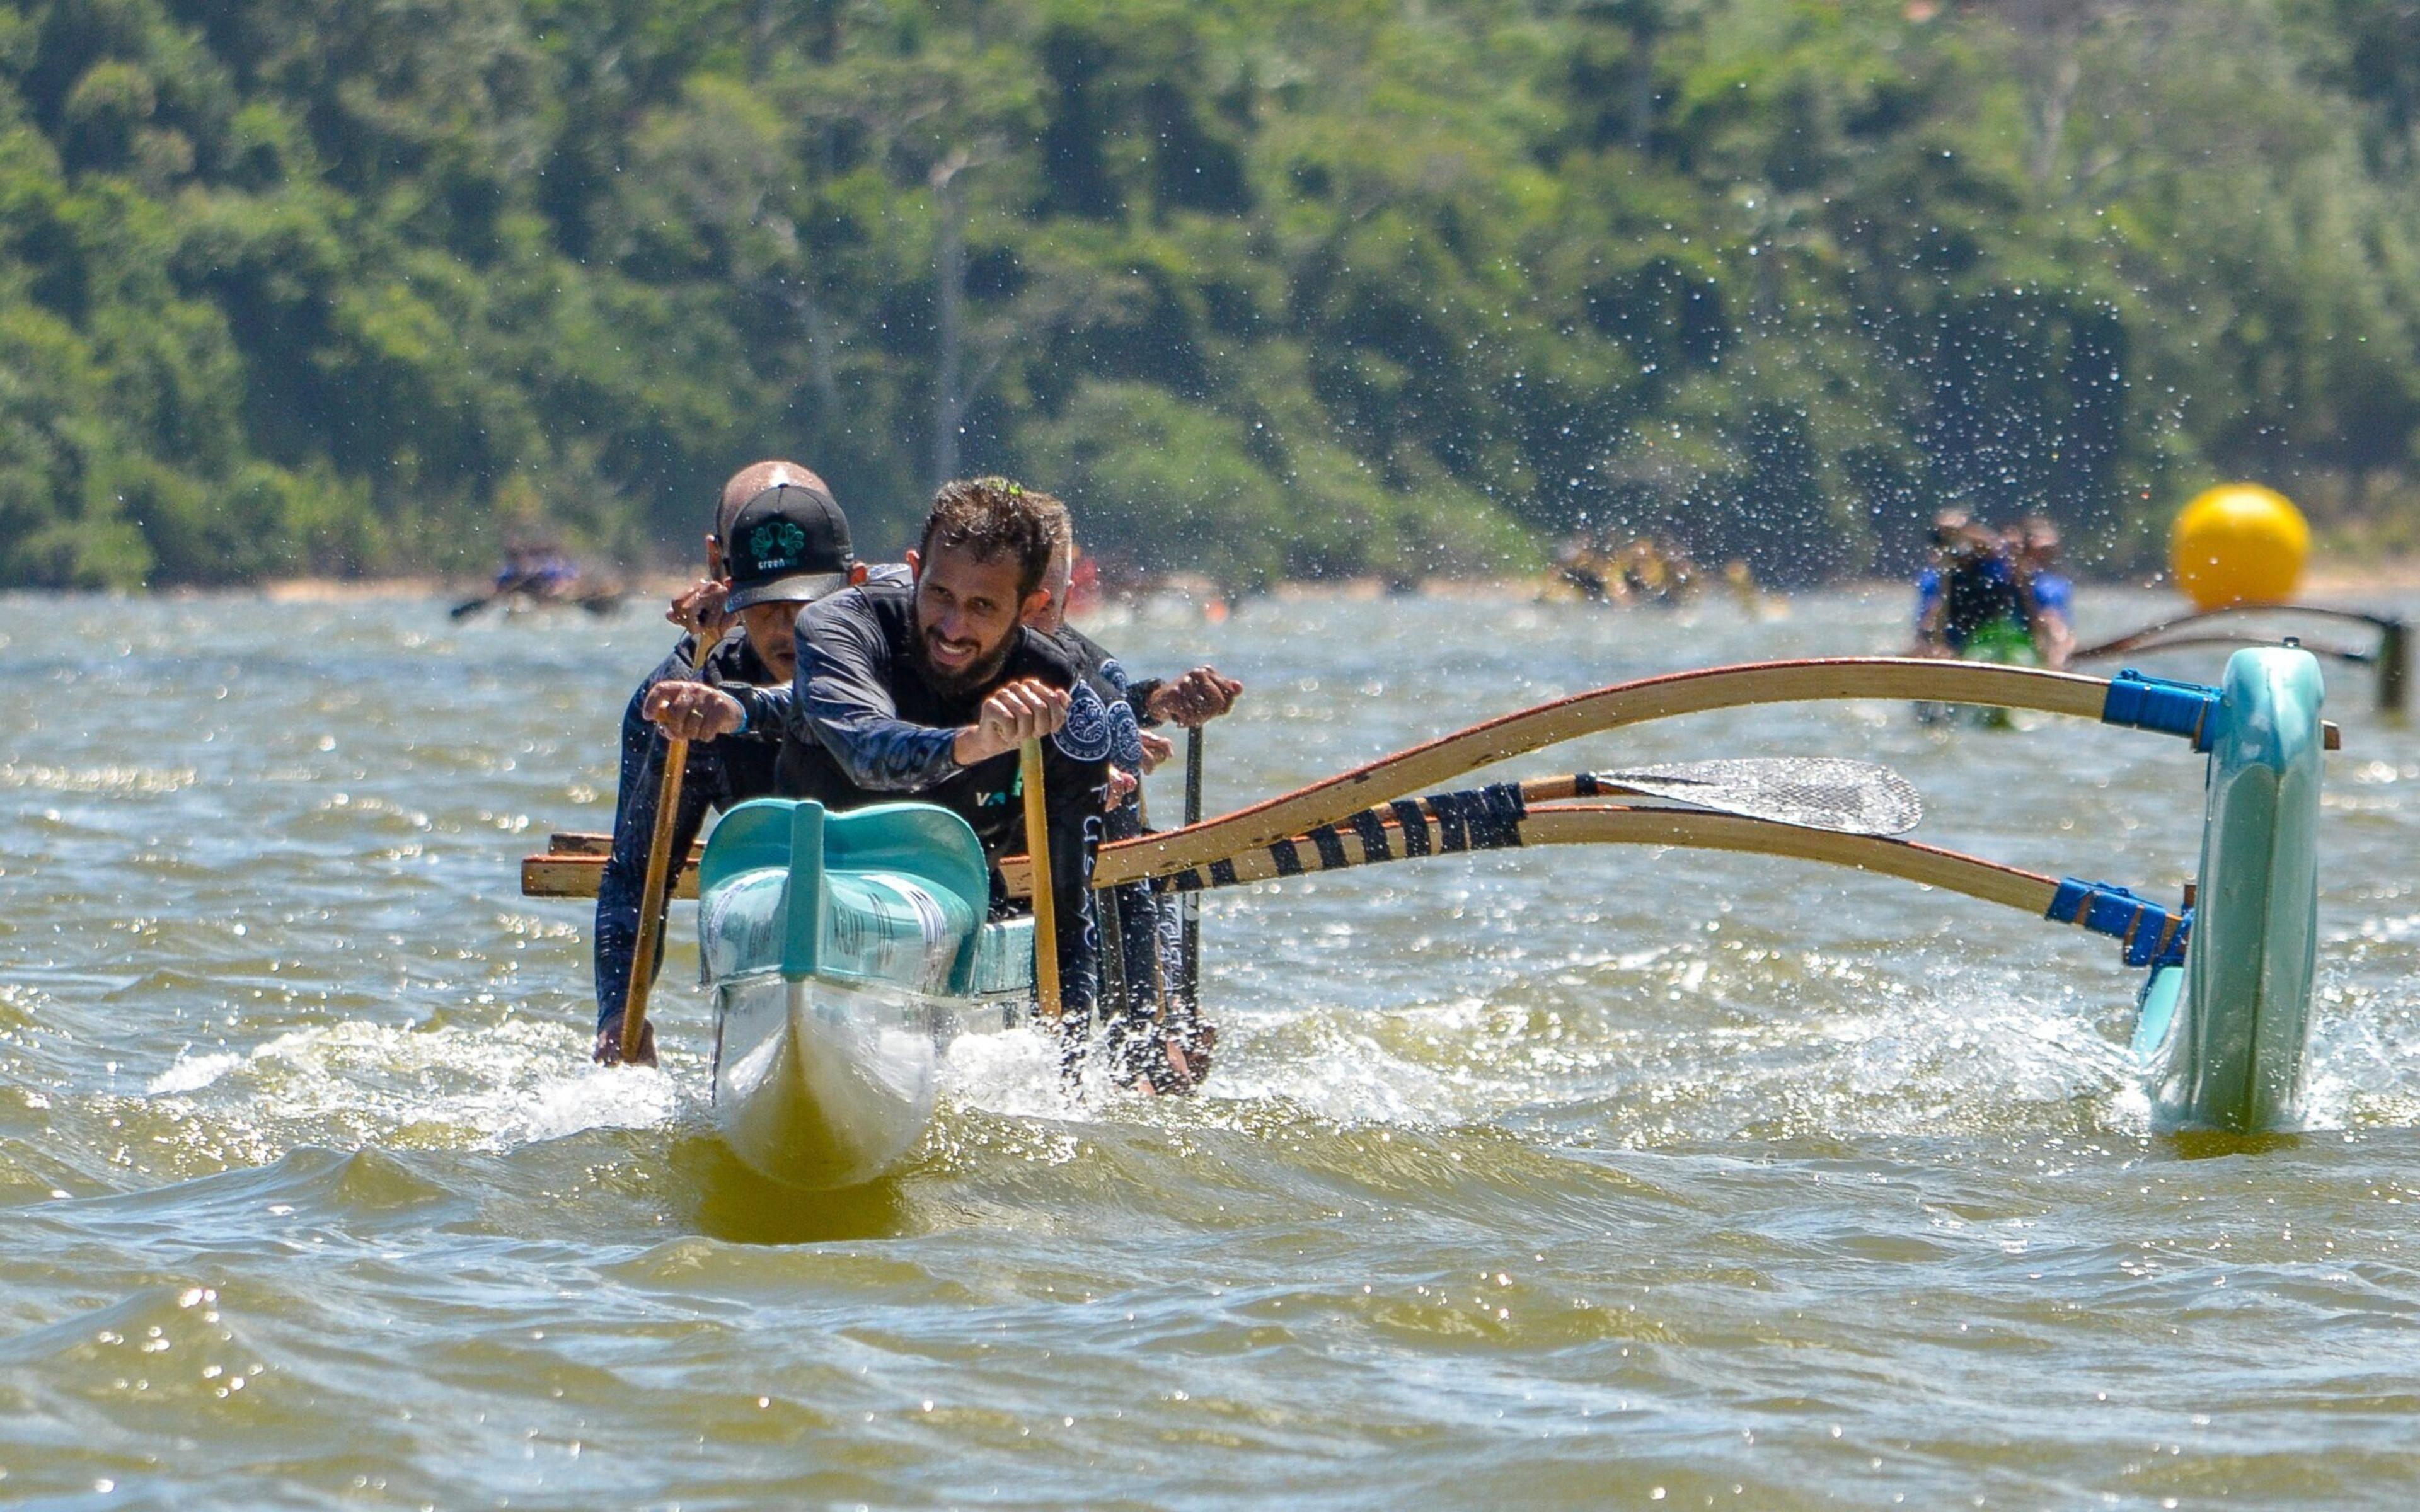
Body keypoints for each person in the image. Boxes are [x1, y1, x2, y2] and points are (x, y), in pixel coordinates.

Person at [645, 477, 1114, 1061]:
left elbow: (1068, 923)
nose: (952, 627)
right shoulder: (842, 627)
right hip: (803, 870)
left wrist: (1067, 1082)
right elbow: (866, 751)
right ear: (914, 569)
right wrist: (975, 742)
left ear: (1034, 607)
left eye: (983, 607)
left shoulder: (1064, 706)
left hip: (944, 891)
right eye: (939, 593)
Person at [591, 462, 872, 1065]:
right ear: (727, 580)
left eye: (806, 602)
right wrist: (621, 1013)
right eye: (766, 604)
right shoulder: (683, 694)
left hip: (883, 901)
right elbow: (636, 874)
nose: (787, 627)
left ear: (851, 586)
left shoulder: (902, 647)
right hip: (768, 916)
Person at [1025, 504, 1243, 1091]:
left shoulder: (1093, 666)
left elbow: (1110, 704)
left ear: (1065, 591)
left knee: (1130, 850)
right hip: (1010, 878)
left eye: (1045, 598)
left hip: (1097, 880)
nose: (1032, 611)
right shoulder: (952, 644)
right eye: (1015, 597)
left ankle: (1151, 1040)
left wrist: (1160, 702)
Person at [2009, 516, 2075, 670]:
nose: (2048, 553)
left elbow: (2062, 620)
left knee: (2056, 626)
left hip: (2054, 644)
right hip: (2020, 645)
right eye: (2042, 548)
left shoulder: (2060, 583)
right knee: (2050, 621)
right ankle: (2057, 658)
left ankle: (2059, 657)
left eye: (2051, 548)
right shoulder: (2016, 577)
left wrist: (2066, 645)